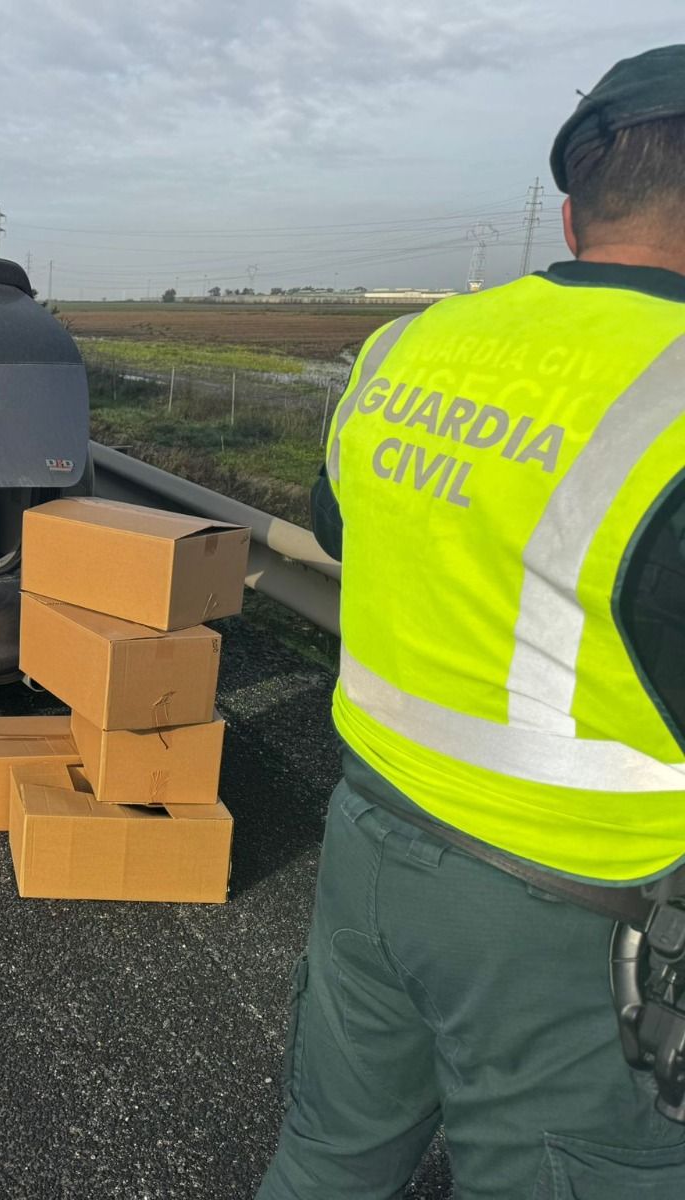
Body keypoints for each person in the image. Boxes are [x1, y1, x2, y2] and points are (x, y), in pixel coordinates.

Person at [258, 47, 685, 1198]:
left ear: (571, 213)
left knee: (328, 1162)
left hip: (375, 839)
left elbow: (353, 533)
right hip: (578, 918)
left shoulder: (410, 344)